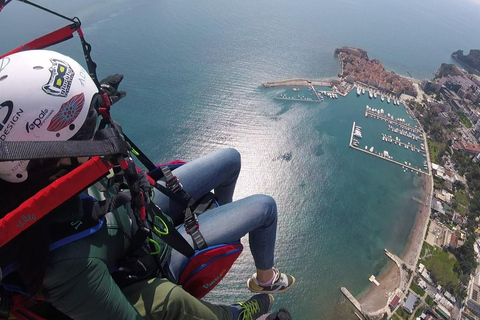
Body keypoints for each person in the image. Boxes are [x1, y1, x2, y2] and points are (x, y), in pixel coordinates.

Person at [0, 49, 295, 320]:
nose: (102, 137)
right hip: (155, 256)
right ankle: (256, 291)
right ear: (46, 160)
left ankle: (220, 221)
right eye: (86, 131)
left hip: (139, 208)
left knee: (231, 158)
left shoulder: (48, 176)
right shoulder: (69, 266)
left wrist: (91, 101)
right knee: (265, 207)